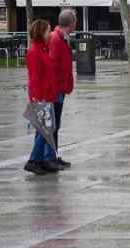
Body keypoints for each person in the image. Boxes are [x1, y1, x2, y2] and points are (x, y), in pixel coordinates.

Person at [24, 19, 60, 175]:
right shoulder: (34, 52)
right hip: (41, 97)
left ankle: (38, 160)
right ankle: (33, 160)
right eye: (48, 31)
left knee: (44, 131)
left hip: (47, 95)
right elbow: (35, 78)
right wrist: (38, 98)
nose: (50, 34)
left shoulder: (44, 50)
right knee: (45, 131)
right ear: (41, 33)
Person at [49, 9, 77, 169]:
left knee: (56, 125)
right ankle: (50, 157)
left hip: (61, 88)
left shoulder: (62, 38)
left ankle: (54, 155)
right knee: (52, 126)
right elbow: (52, 66)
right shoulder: (56, 39)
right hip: (55, 90)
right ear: (72, 23)